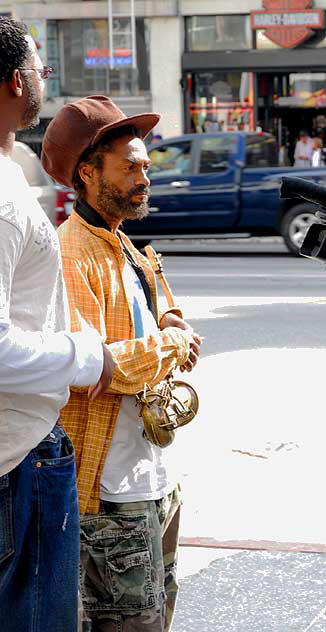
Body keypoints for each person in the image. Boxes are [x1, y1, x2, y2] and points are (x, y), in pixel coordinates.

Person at [41, 95, 203, 631]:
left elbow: (167, 309)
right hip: (110, 488)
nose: (144, 177)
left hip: (158, 478)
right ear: (87, 173)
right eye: (129, 166)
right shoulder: (71, 252)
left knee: (159, 611)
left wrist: (172, 324)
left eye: (146, 167)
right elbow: (102, 367)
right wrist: (174, 345)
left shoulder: (125, 244)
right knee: (130, 624)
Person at [0, 18, 114, 631]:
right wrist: (86, 356)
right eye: (42, 70)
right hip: (18, 460)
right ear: (16, 82)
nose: (45, 80)